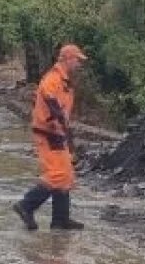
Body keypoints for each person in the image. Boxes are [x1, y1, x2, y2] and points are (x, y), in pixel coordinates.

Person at [13, 44, 89, 231]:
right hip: (47, 133)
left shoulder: (65, 82)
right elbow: (49, 97)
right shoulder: (53, 79)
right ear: (67, 59)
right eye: (77, 60)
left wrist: (68, 136)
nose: (79, 64)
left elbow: (62, 112)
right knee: (57, 175)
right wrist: (59, 119)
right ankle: (26, 205)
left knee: (67, 176)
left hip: (57, 133)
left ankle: (60, 220)